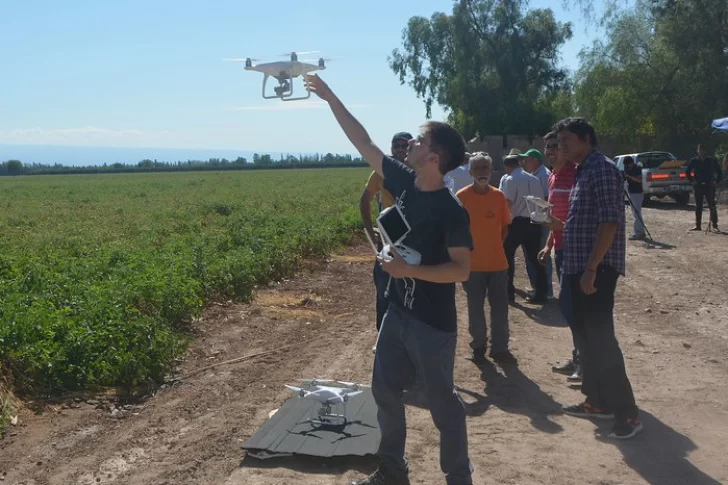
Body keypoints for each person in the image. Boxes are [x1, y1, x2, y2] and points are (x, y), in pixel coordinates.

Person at [306, 74, 474, 485]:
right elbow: (364, 142)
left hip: (432, 325)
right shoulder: (401, 180)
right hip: (397, 314)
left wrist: (408, 271)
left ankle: (459, 477)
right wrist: (330, 96)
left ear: (434, 157)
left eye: (419, 141)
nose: (410, 145)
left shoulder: (452, 212)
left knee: (442, 405)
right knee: (383, 392)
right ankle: (392, 473)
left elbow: (462, 269)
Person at [548, 117, 642, 440]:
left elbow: (610, 222)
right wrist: (556, 226)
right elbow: (584, 224)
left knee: (602, 342)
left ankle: (627, 414)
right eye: (559, 143)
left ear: (586, 138)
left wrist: (591, 269)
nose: (562, 148)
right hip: (580, 268)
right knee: (588, 341)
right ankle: (599, 401)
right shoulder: (582, 171)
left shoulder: (600, 168)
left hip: (595, 270)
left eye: (567, 141)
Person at [456, 153, 513, 363]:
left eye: (485, 168)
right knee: (475, 308)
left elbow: (505, 227)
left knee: (500, 308)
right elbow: (455, 232)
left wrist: (494, 245)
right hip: (472, 265)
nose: (482, 172)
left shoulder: (498, 196)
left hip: (498, 264)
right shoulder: (461, 198)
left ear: (491, 171)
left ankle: (500, 348)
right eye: (477, 168)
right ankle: (478, 346)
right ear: (470, 172)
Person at [537, 131, 582, 382]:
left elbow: (581, 219)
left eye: (556, 146)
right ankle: (578, 357)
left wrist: (559, 230)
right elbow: (556, 216)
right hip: (562, 249)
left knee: (575, 308)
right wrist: (548, 245)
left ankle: (585, 362)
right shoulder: (553, 176)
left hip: (578, 250)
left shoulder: (577, 173)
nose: (551, 150)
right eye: (548, 147)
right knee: (569, 307)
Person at [360, 132, 412, 336]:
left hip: (415, 235)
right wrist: (369, 231)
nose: (400, 149)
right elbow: (364, 200)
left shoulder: (420, 171)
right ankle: (383, 336)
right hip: (389, 234)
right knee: (383, 288)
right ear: (391, 149)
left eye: (405, 145)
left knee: (412, 287)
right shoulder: (381, 172)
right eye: (396, 145)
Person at [501, 152, 548, 304]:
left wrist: (503, 224)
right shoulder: (534, 179)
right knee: (535, 259)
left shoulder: (510, 179)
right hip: (534, 222)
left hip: (516, 223)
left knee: (507, 257)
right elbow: (541, 202)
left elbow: (508, 203)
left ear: (507, 167)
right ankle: (541, 293)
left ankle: (508, 293)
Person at [520, 149, 554, 299]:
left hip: (543, 221)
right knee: (536, 255)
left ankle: (546, 291)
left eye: (526, 159)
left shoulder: (544, 174)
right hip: (537, 219)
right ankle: (538, 287)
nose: (524, 162)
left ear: (535, 160)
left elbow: (548, 199)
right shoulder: (536, 174)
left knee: (542, 255)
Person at [686, 144, 722, 232]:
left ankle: (715, 225)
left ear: (706, 151)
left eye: (703, 150)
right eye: (699, 150)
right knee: (698, 206)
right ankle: (698, 225)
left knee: (712, 205)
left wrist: (716, 181)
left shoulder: (711, 160)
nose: (701, 152)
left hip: (709, 186)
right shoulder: (694, 161)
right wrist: (692, 181)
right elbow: (687, 172)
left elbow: (719, 172)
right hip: (698, 186)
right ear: (697, 151)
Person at [622, 156, 646, 240]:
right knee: (635, 212)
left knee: (637, 212)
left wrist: (630, 176)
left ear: (632, 163)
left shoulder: (638, 168)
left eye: (628, 165)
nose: (628, 166)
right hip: (631, 191)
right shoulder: (627, 168)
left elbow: (640, 179)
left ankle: (639, 232)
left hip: (638, 192)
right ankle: (640, 231)